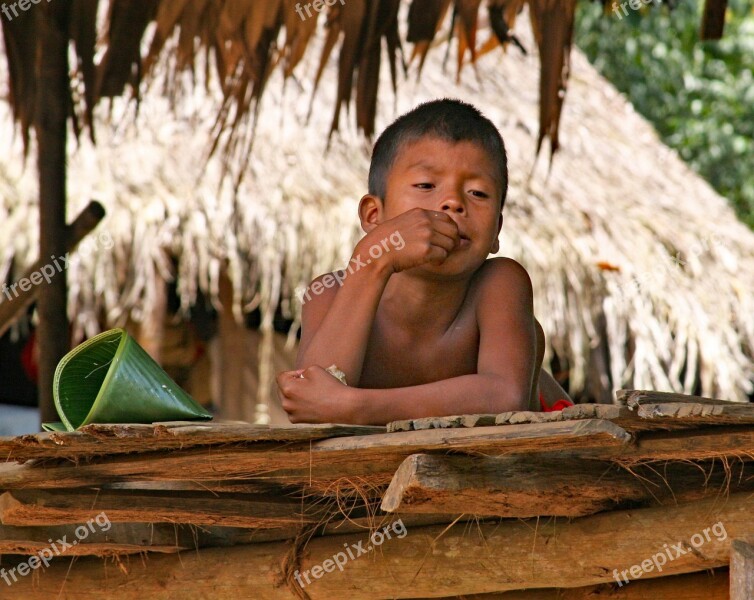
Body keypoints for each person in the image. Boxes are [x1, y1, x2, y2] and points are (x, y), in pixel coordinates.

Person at [277, 99, 572, 425]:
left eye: (478, 193)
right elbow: (312, 403)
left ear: (496, 232)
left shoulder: (499, 283)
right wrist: (372, 260)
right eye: (426, 185)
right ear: (374, 216)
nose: (453, 202)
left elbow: (505, 397)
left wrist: (356, 406)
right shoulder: (328, 294)